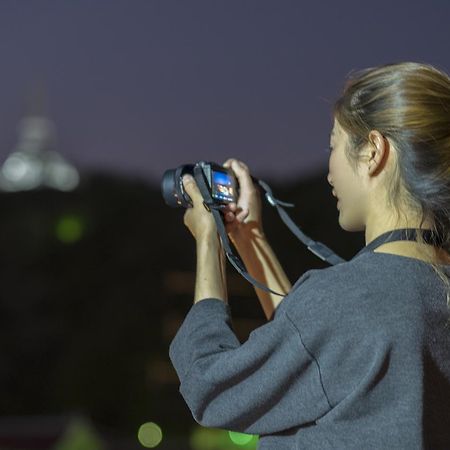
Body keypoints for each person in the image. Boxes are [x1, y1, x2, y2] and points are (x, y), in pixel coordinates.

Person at [169, 62, 450, 449]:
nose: (330, 170)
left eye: (333, 145)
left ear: (373, 151)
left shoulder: (349, 300)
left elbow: (210, 386)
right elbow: (317, 357)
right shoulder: (429, 290)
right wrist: (249, 239)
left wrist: (208, 238)